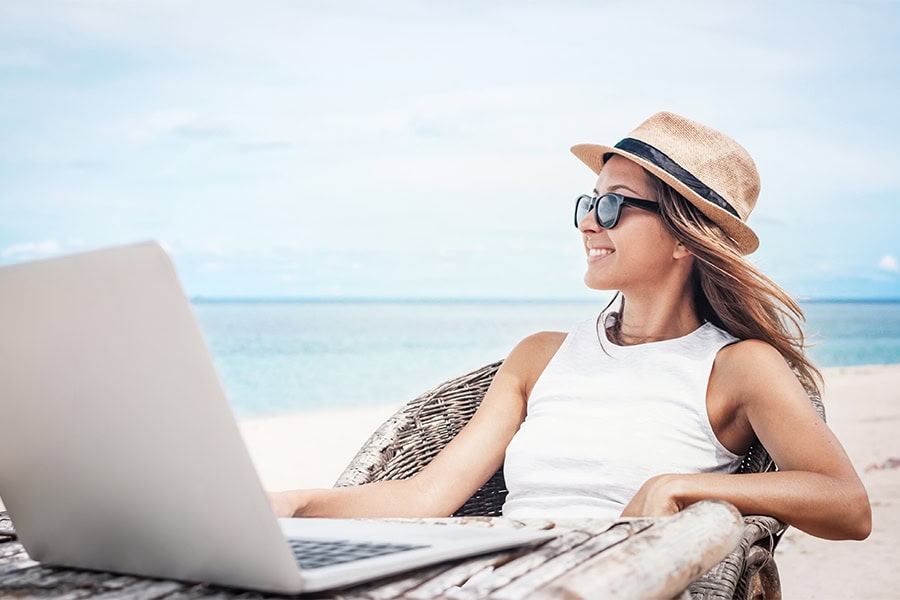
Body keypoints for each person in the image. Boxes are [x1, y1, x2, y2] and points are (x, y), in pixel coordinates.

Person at [270, 112, 871, 541]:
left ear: (685, 238)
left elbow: (847, 504)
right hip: (506, 578)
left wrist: (680, 487)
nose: (588, 223)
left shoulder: (737, 367)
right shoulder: (538, 357)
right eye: (588, 203)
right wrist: (296, 504)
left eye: (612, 205)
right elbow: (427, 496)